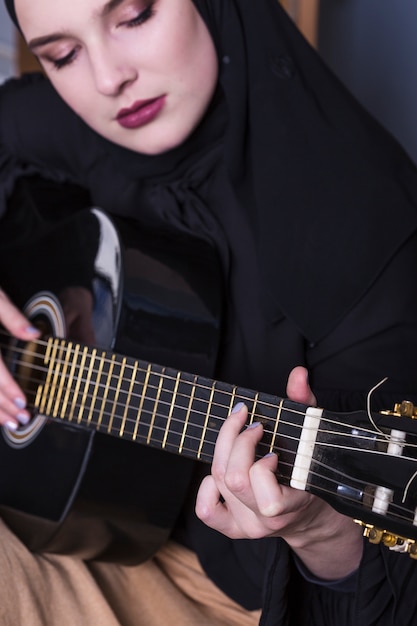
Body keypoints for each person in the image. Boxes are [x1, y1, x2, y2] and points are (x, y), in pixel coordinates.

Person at [1, 0, 417, 624]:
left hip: (246, 600)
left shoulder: (364, 229)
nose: (108, 78)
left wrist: (322, 536)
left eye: (135, 16)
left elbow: (389, 586)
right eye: (62, 54)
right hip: (94, 525)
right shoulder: (85, 121)